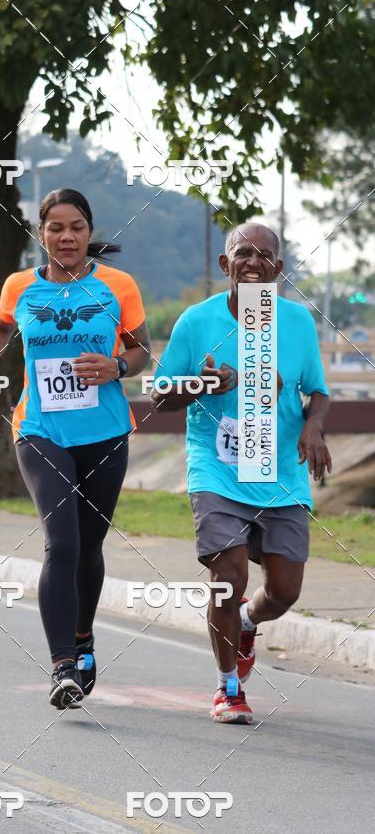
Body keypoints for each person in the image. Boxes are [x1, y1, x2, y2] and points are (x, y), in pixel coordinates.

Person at [0, 189, 151, 709]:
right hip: (40, 429)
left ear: (89, 232)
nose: (66, 237)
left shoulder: (117, 285)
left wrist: (116, 367)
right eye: (55, 228)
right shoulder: (20, 286)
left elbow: (141, 350)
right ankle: (62, 664)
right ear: (40, 233)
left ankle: (84, 636)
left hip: (106, 431)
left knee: (89, 548)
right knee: (61, 544)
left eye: (76, 227)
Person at [152, 223, 331, 724]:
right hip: (218, 469)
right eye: (242, 253)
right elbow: (160, 396)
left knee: (284, 591)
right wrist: (201, 384)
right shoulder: (196, 322)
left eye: (264, 256)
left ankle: (250, 622)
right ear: (224, 265)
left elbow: (318, 390)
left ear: (278, 269)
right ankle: (228, 687)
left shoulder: (297, 323)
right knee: (226, 578)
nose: (253, 262)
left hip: (280, 472)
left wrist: (314, 427)